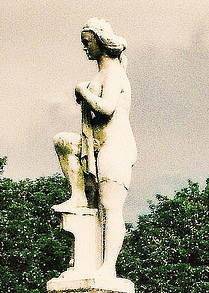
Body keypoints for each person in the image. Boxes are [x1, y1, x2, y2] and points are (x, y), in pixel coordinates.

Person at [53, 18, 137, 279]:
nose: (85, 48)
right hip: (95, 147)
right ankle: (78, 196)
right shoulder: (101, 73)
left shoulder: (113, 72)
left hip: (116, 147)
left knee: (110, 207)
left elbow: (107, 107)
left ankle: (107, 267)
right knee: (63, 142)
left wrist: (82, 91)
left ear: (100, 42)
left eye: (87, 43)